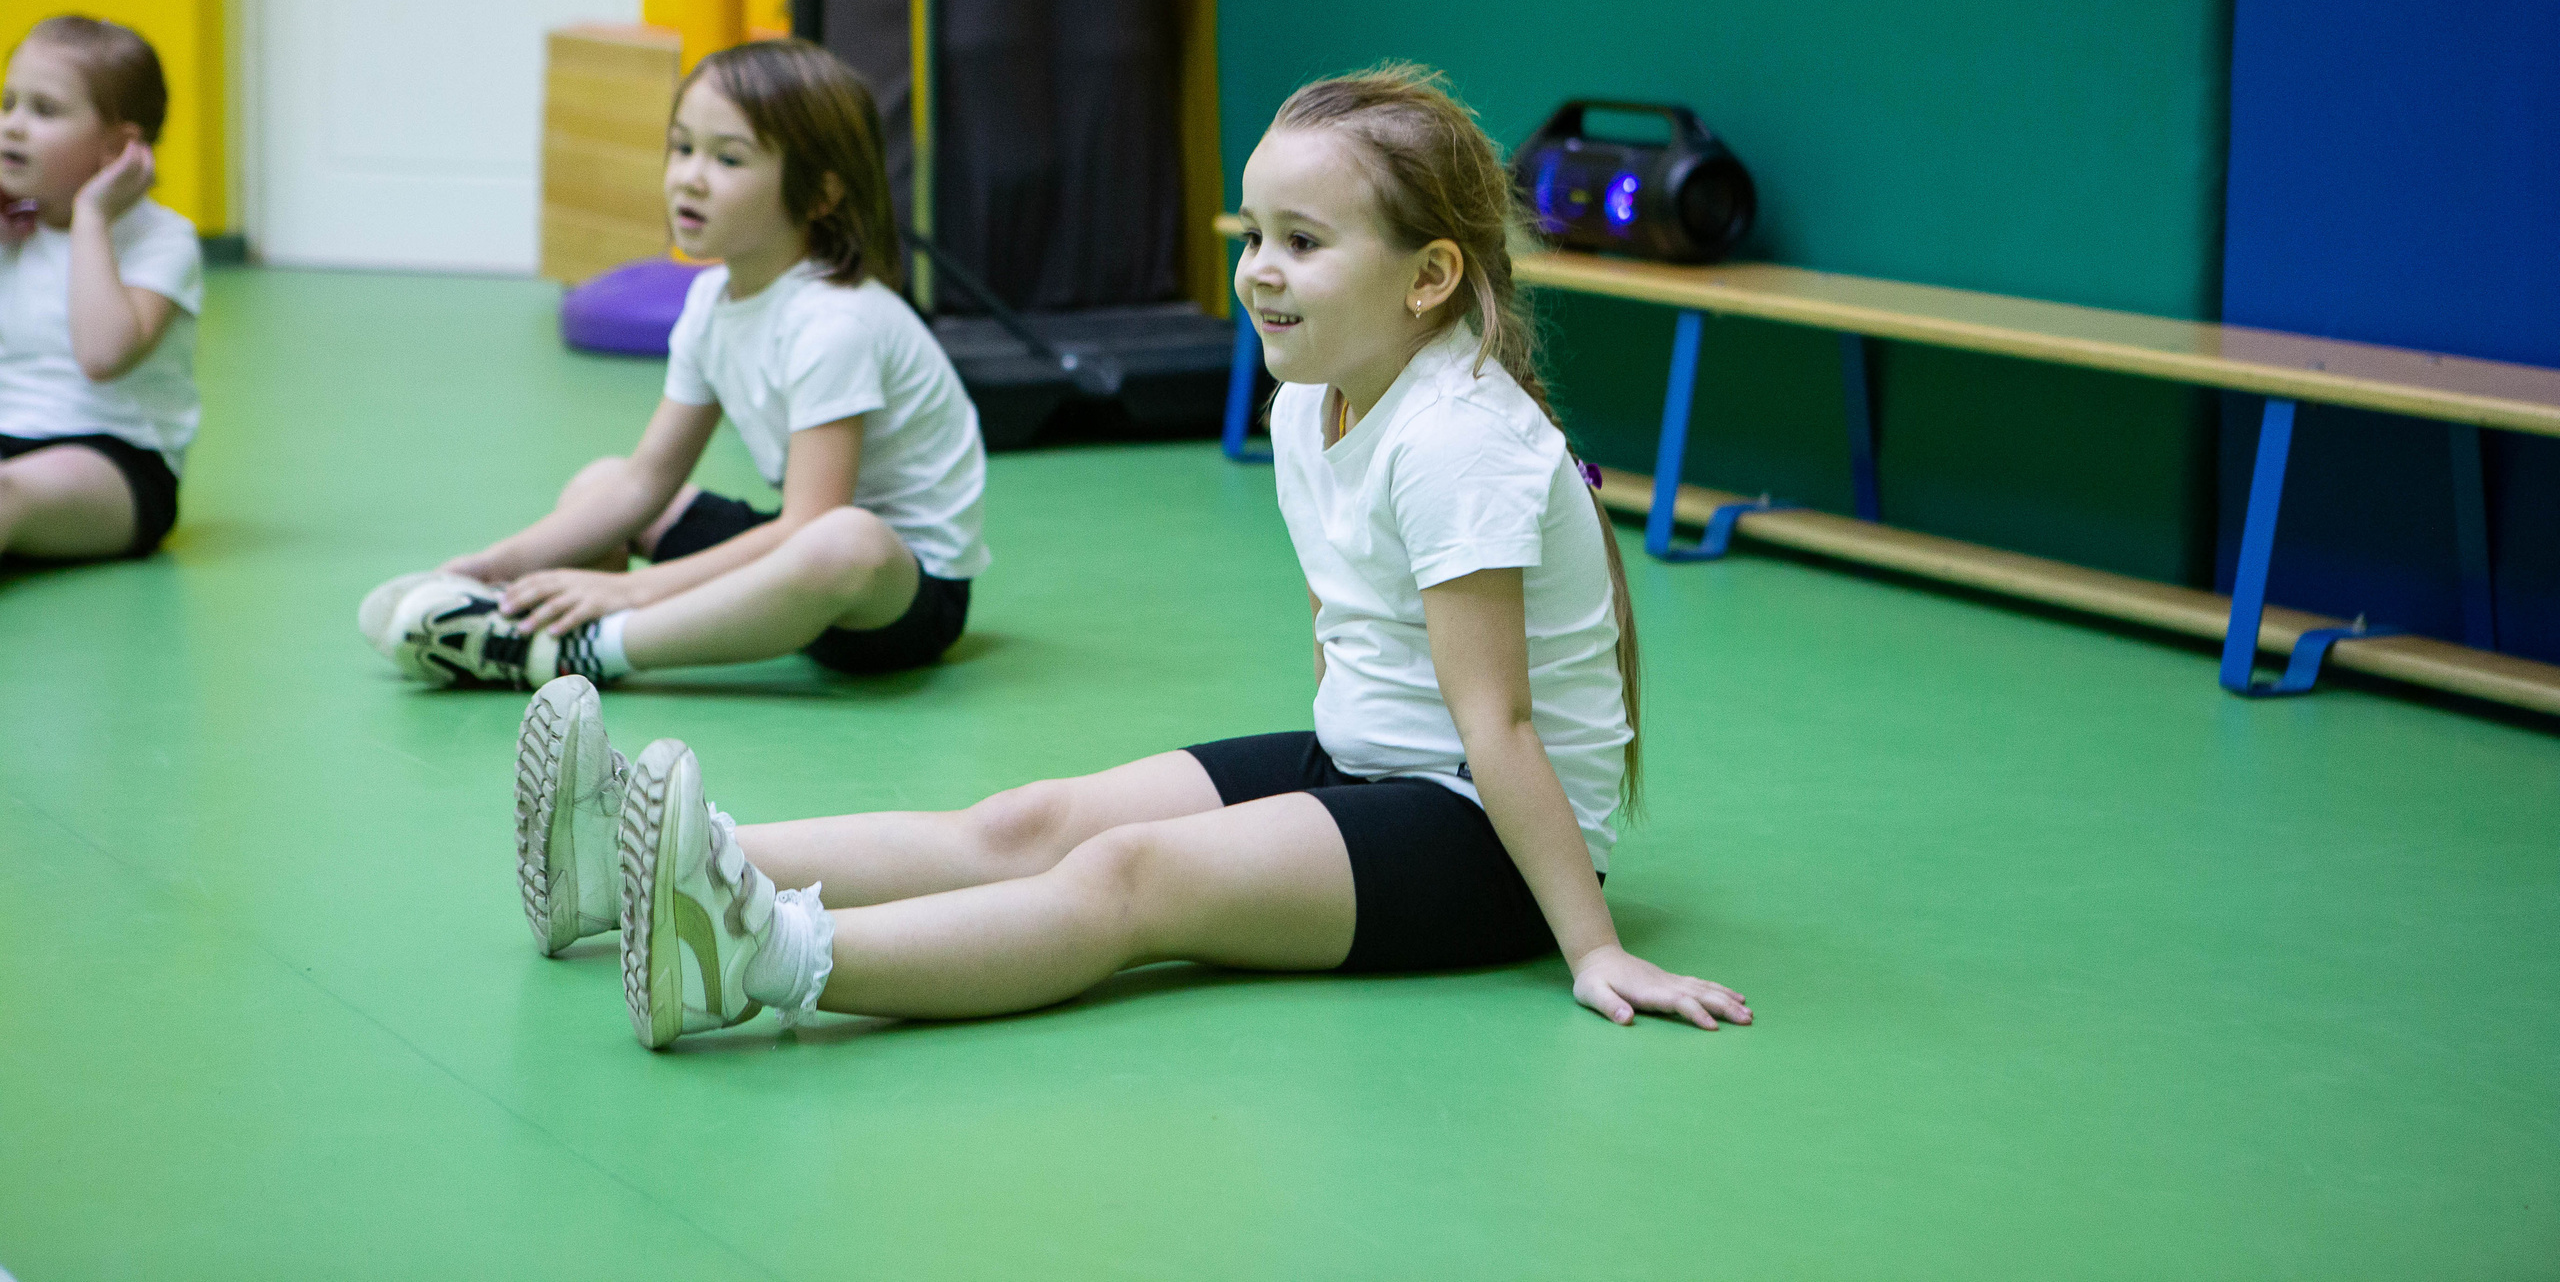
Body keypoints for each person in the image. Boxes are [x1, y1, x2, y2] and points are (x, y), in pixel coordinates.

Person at [514, 63, 1752, 1044]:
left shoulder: (1459, 441)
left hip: (1486, 837)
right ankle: (616, 866)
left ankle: (757, 960)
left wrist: (1593, 947)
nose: (1260, 272)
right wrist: (1320, 795)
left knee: (1131, 877)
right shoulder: (1306, 397)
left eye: (1304, 242)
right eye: (1254, 235)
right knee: (1026, 821)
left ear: (1429, 276)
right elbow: (1342, 623)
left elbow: (1502, 728)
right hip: (1373, 766)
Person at [361, 38, 988, 693]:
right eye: (683, 147)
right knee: (599, 482)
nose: (690, 177)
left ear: (820, 194)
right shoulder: (712, 301)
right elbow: (644, 483)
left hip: (894, 595)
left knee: (845, 539)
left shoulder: (836, 324)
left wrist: (633, 590)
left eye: (728, 158)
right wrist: (492, 566)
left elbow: (811, 524)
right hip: (792, 557)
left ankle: (596, 649)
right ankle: (526, 624)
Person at [0, 16, 200, 566]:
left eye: (44, 110)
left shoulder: (162, 239)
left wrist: (91, 217)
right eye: (8, 103)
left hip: (113, 460)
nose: (12, 126)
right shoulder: (12, 225)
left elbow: (102, 355)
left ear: (117, 149)